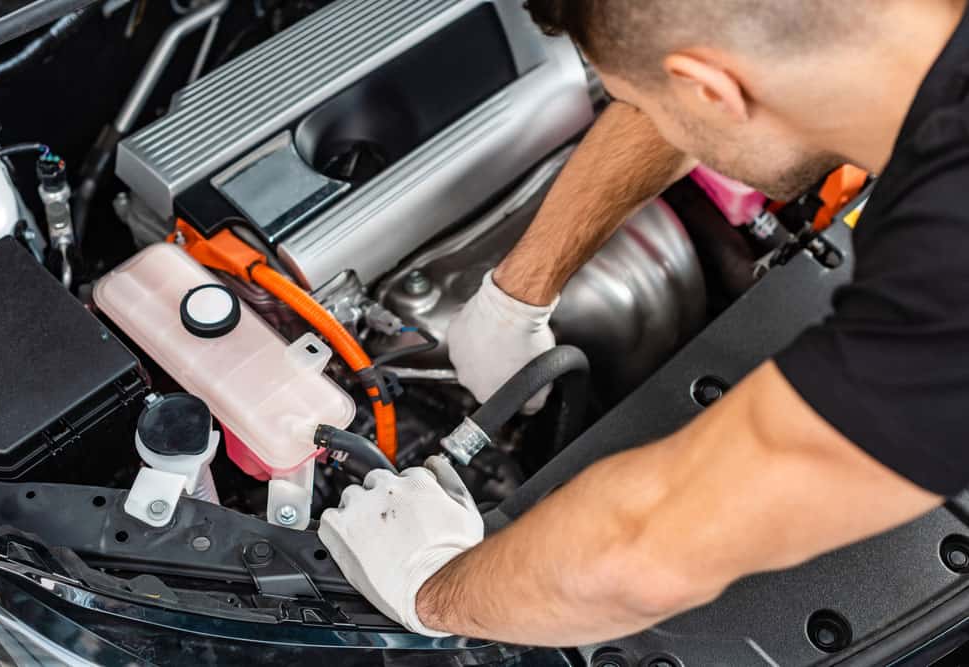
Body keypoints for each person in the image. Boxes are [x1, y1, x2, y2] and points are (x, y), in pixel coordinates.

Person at [318, 0, 969, 646]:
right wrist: (517, 291)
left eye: (652, 106)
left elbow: (641, 554)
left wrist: (426, 585)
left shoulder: (944, 270)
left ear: (711, 90)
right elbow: (701, 64)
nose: (658, 125)